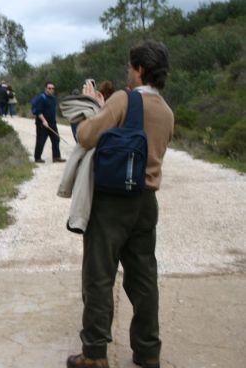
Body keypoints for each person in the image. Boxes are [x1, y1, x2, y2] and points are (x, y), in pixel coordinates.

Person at [66, 40, 174, 368]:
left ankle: (95, 354)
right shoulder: (167, 111)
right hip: (146, 203)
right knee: (143, 278)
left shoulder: (123, 99)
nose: (128, 72)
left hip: (112, 203)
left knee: (99, 276)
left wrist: (94, 107)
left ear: (140, 69)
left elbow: (86, 136)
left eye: (130, 66)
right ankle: (147, 351)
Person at [33, 82, 65, 163]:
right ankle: (37, 158)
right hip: (42, 124)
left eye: (52, 88)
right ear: (45, 88)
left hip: (52, 123)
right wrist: (44, 121)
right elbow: (38, 111)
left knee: (56, 139)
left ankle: (56, 157)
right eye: (49, 88)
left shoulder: (53, 98)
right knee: (41, 141)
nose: (51, 90)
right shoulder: (41, 98)